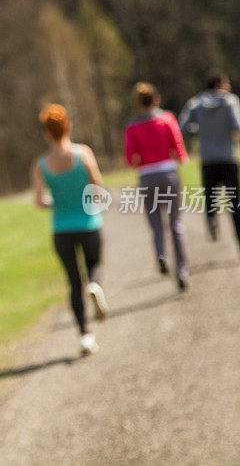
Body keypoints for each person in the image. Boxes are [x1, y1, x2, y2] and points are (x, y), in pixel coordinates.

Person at [32, 104, 109, 356]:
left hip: (61, 230)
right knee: (95, 265)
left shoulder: (41, 164)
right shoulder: (83, 154)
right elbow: (97, 186)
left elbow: (40, 202)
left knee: (73, 283)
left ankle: (85, 337)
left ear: (46, 132)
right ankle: (95, 286)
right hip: (88, 224)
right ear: (68, 126)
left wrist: (58, 201)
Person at [179, 69, 240, 261]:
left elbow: (182, 127)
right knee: (235, 204)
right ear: (220, 84)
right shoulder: (230, 101)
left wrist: (200, 128)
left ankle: (211, 220)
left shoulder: (195, 104)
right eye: (226, 84)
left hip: (207, 160)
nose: (229, 88)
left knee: (210, 198)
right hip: (228, 159)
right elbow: (239, 126)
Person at [123, 83, 190, 290]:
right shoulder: (167, 119)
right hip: (168, 174)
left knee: (156, 226)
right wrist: (180, 159)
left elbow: (130, 158)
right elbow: (178, 147)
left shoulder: (132, 126)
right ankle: (181, 269)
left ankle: (161, 255)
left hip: (146, 178)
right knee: (175, 224)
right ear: (156, 99)